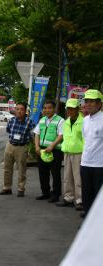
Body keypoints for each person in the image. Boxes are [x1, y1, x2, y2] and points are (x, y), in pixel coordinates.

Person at [0, 102, 35, 197]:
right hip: (10, 145)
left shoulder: (29, 122)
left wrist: (34, 148)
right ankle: (7, 188)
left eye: (21, 109)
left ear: (25, 111)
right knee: (7, 168)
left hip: (22, 147)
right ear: (15, 110)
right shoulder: (11, 120)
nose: (19, 111)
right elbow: (8, 130)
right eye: (17, 109)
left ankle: (21, 189)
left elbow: (32, 135)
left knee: (21, 169)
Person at [56, 98, 84, 210]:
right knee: (67, 177)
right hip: (67, 152)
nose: (70, 111)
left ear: (78, 109)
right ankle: (68, 198)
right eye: (68, 109)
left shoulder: (84, 121)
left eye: (73, 108)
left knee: (78, 178)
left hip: (79, 153)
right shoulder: (66, 122)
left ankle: (79, 200)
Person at [34, 100, 64, 203]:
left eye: (49, 108)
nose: (47, 110)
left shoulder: (60, 120)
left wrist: (52, 145)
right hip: (42, 150)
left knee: (55, 174)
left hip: (55, 151)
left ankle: (56, 194)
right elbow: (37, 133)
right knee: (43, 173)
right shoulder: (42, 120)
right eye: (45, 108)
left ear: (54, 109)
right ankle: (45, 193)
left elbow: (61, 135)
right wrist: (37, 147)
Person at [79, 89, 103, 218]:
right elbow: (86, 139)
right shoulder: (85, 120)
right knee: (86, 194)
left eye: (92, 101)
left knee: (97, 197)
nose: (88, 104)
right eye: (86, 101)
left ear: (100, 104)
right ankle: (87, 221)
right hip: (85, 162)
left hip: (100, 165)